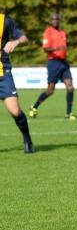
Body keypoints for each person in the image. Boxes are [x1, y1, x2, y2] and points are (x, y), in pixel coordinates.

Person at [29, 13, 76, 120]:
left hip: (64, 63)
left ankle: (68, 113)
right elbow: (45, 49)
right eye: (53, 19)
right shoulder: (48, 32)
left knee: (70, 87)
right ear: (50, 21)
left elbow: (64, 46)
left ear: (59, 21)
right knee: (50, 90)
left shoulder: (63, 33)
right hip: (53, 63)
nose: (55, 21)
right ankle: (34, 107)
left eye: (57, 19)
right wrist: (57, 48)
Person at [1, 11, 34, 153]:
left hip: (3, 75)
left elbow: (24, 38)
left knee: (15, 112)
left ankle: (27, 139)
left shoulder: (5, 21)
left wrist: (15, 41)